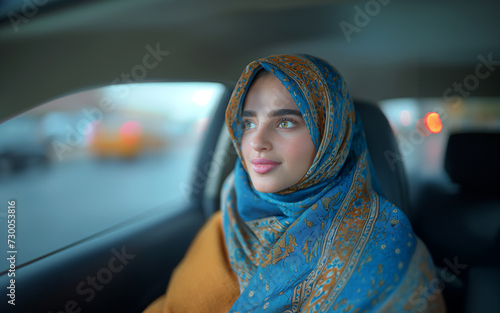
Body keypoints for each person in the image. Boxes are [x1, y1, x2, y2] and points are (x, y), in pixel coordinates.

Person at [144, 54, 446, 312]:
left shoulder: (383, 249)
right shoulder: (227, 213)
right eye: (248, 123)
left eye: (285, 122)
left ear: (331, 138)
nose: (256, 142)